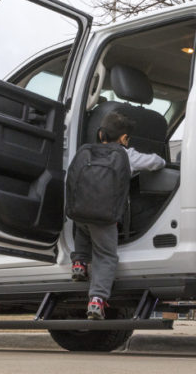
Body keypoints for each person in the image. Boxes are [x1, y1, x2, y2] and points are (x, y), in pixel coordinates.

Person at [70, 111, 166, 319]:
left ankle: (78, 263)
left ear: (100, 134)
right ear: (124, 139)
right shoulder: (126, 155)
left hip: (80, 213)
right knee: (105, 256)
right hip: (105, 218)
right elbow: (156, 162)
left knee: (83, 232)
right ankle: (96, 299)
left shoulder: (85, 152)